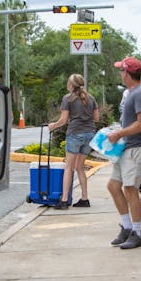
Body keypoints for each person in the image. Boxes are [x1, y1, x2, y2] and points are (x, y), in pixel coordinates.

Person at [107, 57, 141, 249]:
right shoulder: (134, 93)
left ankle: (137, 232)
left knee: (130, 189)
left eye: (121, 71)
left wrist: (120, 133)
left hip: (137, 147)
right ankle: (127, 228)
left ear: (127, 73)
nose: (120, 74)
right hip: (128, 147)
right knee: (113, 186)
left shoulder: (139, 93)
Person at [48, 73, 99, 210]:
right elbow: (96, 118)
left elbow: (63, 120)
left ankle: (64, 200)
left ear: (71, 85)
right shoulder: (91, 98)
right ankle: (84, 198)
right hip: (89, 135)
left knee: (69, 167)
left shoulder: (68, 99)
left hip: (75, 134)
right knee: (80, 167)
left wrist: (53, 125)